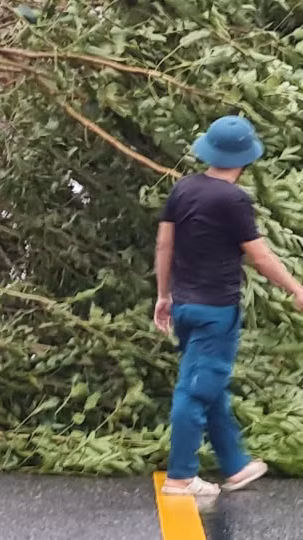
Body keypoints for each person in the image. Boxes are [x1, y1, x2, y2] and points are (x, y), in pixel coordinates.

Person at [155, 116, 303, 496]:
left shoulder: (183, 189)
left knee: (210, 386)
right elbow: (260, 256)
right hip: (215, 310)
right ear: (244, 159)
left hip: (186, 305)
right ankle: (181, 477)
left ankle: (235, 465)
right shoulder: (233, 199)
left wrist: (163, 295)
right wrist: (295, 288)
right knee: (194, 390)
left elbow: (164, 246)